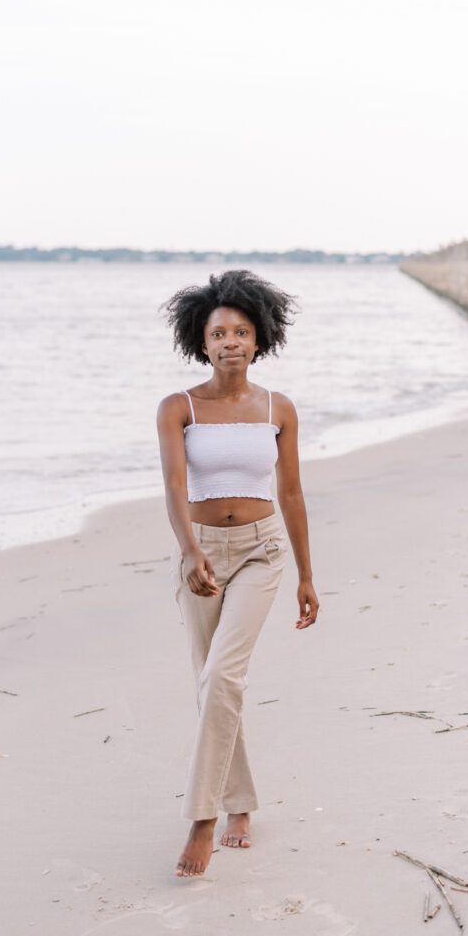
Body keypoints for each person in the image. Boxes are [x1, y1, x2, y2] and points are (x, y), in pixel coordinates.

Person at [156, 269, 319, 878]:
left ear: (259, 339)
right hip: (200, 551)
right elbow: (175, 487)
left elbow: (294, 493)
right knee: (212, 684)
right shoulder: (179, 407)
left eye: (241, 331)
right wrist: (190, 551)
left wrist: (306, 575)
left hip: (261, 551)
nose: (230, 341)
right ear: (201, 342)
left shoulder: (278, 408)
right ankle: (241, 804)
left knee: (222, 674)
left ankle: (202, 819)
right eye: (218, 332)